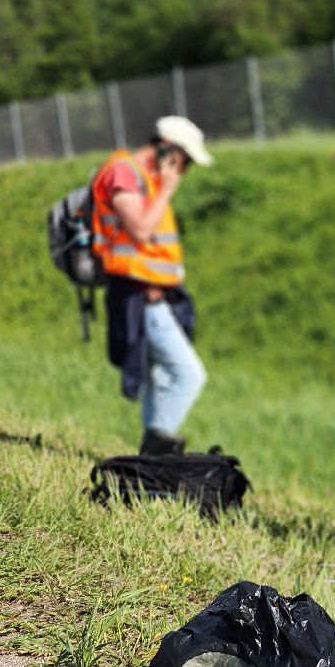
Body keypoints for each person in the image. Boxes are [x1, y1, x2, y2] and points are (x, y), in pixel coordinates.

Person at [90, 116, 212, 455]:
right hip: (137, 296)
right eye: (185, 162)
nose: (184, 172)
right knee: (188, 375)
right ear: (168, 151)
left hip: (154, 295)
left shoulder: (145, 179)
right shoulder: (123, 173)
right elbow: (141, 230)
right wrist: (168, 189)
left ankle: (150, 458)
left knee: (160, 377)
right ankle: (155, 449)